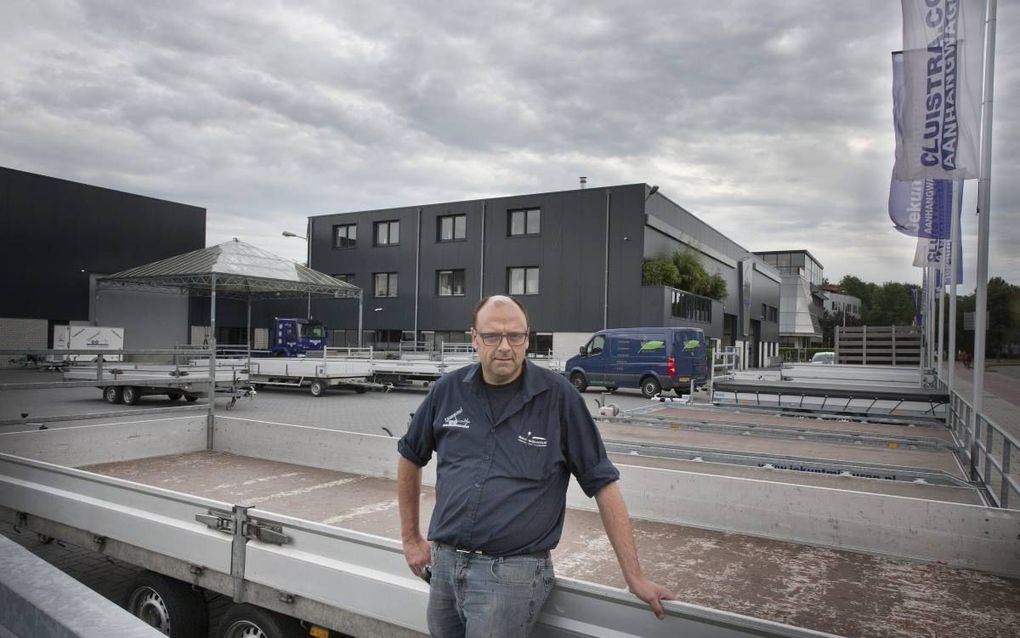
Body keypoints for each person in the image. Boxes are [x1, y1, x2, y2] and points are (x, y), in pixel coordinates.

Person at [397, 295, 675, 637]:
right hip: (444, 568)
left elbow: (603, 483)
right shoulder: (447, 392)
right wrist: (411, 538)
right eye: (492, 336)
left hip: (510, 575)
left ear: (528, 339)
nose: (504, 347)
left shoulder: (559, 398)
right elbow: (410, 456)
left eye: (515, 336)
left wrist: (633, 576)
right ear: (474, 338)